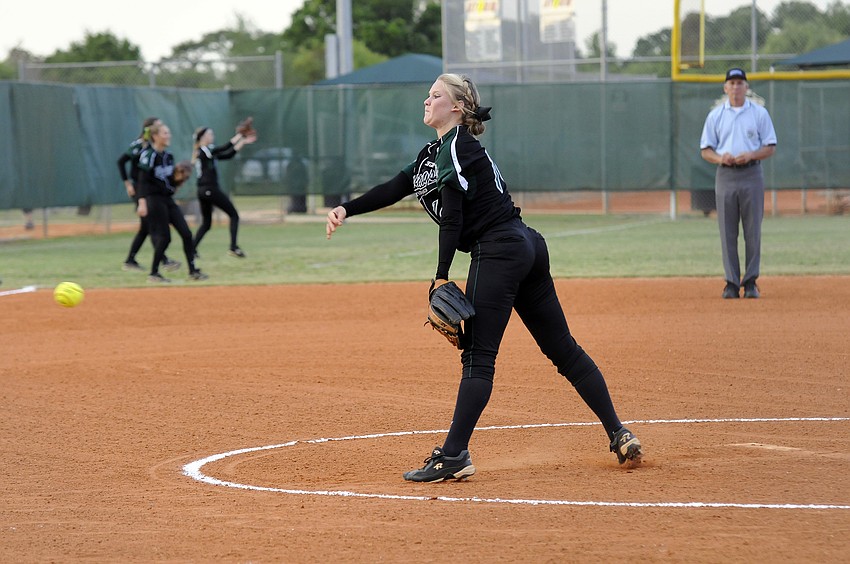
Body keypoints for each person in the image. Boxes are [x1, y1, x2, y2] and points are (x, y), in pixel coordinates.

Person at [326, 73, 643, 482]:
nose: (427, 100)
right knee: (562, 349)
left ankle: (455, 455)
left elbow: (454, 215)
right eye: (427, 94)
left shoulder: (457, 146)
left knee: (478, 357)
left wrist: (440, 276)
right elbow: (396, 186)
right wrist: (346, 209)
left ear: (456, 108)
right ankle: (619, 433)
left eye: (435, 95)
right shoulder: (434, 153)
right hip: (526, 245)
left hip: (499, 250)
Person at [700, 68, 777, 299]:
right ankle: (731, 282)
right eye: (731, 83)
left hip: (751, 173)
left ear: (746, 87)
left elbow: (770, 146)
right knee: (727, 230)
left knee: (753, 230)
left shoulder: (759, 113)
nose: (736, 87)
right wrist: (720, 157)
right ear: (725, 88)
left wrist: (752, 155)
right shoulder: (716, 115)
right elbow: (706, 150)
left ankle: (751, 282)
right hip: (725, 173)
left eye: (740, 82)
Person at [136, 122, 208, 283]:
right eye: (165, 133)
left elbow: (169, 181)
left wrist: (178, 181)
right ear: (155, 136)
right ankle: (154, 273)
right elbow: (142, 180)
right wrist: (141, 202)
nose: (168, 136)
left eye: (168, 133)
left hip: (167, 199)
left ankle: (193, 271)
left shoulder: (168, 156)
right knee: (164, 237)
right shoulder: (149, 155)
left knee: (186, 234)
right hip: (153, 199)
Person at [117, 117, 180, 273]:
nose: (161, 130)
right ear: (150, 130)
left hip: (150, 189)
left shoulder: (155, 148)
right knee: (150, 225)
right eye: (158, 127)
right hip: (141, 188)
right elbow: (121, 162)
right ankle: (162, 261)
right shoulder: (140, 145)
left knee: (147, 226)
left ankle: (131, 260)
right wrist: (127, 183)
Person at [191, 124, 256, 258]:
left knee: (206, 223)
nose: (212, 136)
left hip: (203, 190)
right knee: (234, 215)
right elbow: (224, 148)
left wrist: (242, 141)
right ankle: (233, 247)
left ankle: (191, 249)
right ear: (203, 137)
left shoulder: (207, 152)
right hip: (209, 188)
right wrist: (239, 135)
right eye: (210, 134)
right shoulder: (204, 150)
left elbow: (227, 155)